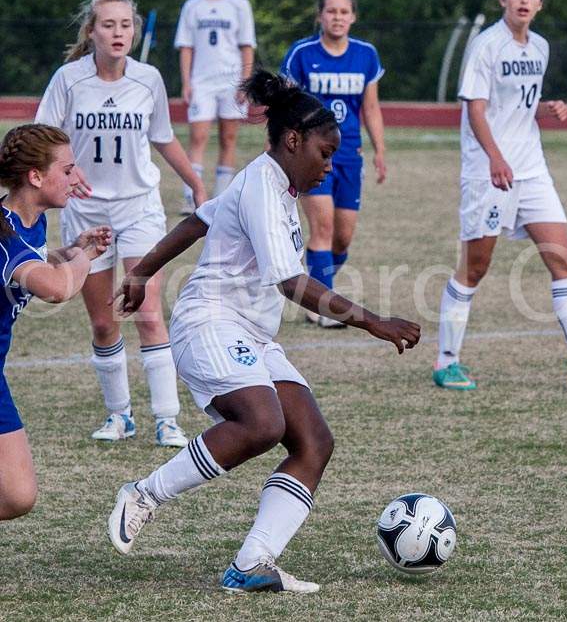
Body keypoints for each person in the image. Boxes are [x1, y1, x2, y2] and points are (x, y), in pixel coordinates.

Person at [106, 71, 420, 593]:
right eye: (325, 152)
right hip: (208, 321)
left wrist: (141, 272)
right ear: (292, 140)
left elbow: (198, 221)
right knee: (261, 422)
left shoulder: (273, 183)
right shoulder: (262, 186)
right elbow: (292, 283)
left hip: (250, 333)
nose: (330, 164)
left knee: (314, 441)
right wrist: (372, 320)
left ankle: (252, 563)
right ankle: (144, 494)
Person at [432, 0, 567, 390]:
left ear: (541, 3)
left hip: (531, 170)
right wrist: (494, 158)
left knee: (563, 259)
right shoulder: (486, 46)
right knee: (475, 267)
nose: (524, 0)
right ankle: (445, 361)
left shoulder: (539, 47)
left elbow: (518, 104)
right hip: (489, 173)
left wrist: (545, 107)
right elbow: (476, 108)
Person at [36, 0, 207, 447]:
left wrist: (196, 181)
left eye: (125, 25)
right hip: (86, 213)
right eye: (108, 25)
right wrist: (65, 177)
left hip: (139, 208)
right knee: (103, 321)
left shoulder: (149, 79)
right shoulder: (68, 80)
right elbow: (44, 138)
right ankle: (119, 415)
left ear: (134, 31)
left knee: (149, 312)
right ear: (92, 32)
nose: (118, 33)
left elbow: (163, 138)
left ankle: (167, 419)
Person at [0, 123, 112, 520]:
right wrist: (86, 260)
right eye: (67, 170)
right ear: (35, 176)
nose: (75, 178)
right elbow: (55, 289)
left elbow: (37, 264)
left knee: (17, 496)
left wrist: (71, 251)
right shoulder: (6, 234)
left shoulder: (32, 221)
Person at [280, 0, 387, 328]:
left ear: (353, 17)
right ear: (320, 16)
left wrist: (380, 151)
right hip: (312, 153)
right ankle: (324, 306)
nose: (337, 18)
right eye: (331, 11)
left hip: (350, 156)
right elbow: (286, 103)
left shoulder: (366, 55)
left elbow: (370, 107)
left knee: (343, 238)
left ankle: (312, 288)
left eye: (344, 12)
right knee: (322, 227)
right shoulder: (302, 53)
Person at [175, 0, 256, 212]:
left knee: (228, 138)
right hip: (202, 81)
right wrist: (186, 82)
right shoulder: (193, 6)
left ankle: (221, 198)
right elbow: (186, 47)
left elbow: (246, 46)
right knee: (198, 137)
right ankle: (191, 196)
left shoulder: (239, 5)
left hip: (231, 82)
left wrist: (245, 82)